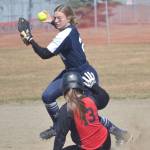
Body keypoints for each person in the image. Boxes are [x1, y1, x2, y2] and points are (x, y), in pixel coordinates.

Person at [18, 4, 131, 144]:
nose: (56, 20)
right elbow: (62, 27)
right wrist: (51, 21)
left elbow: (44, 54)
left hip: (83, 75)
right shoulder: (70, 29)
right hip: (70, 72)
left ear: (69, 18)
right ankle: (57, 126)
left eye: (59, 18)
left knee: (85, 113)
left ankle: (119, 132)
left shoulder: (64, 35)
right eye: (55, 17)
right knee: (47, 96)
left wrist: (30, 40)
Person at [53, 71, 111, 150]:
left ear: (64, 90)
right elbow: (105, 98)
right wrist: (94, 86)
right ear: (81, 86)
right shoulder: (91, 99)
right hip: (106, 142)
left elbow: (60, 138)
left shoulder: (66, 110)